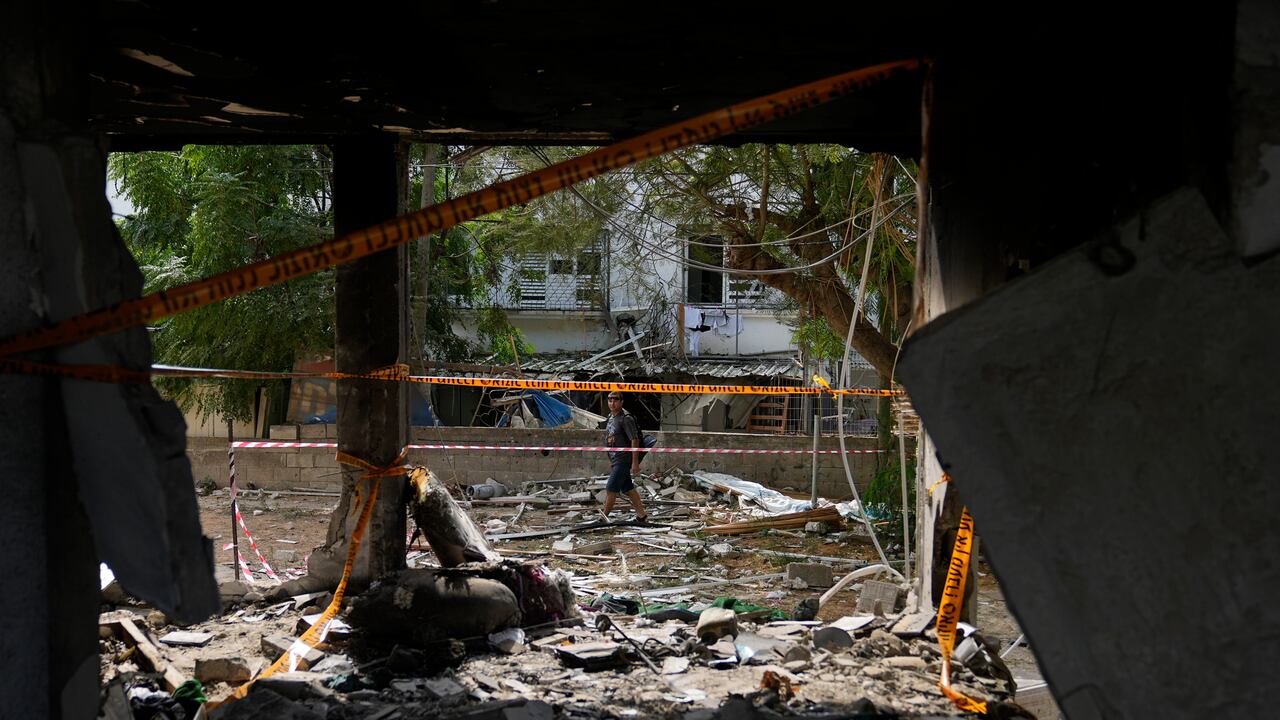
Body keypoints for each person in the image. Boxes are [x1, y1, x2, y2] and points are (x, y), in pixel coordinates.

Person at [603, 391, 648, 523]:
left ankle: (604, 517)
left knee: (611, 489)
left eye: (616, 400)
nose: (612, 403)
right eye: (610, 400)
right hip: (615, 458)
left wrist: (635, 463)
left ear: (621, 402)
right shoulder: (611, 417)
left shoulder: (626, 418)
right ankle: (642, 516)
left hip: (624, 459)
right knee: (628, 489)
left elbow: (634, 440)